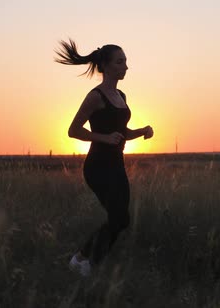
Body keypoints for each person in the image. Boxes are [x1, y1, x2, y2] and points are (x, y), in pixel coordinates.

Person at [54, 39, 154, 277]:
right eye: (120, 62)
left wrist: (141, 132)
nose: (126, 67)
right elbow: (73, 130)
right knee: (118, 217)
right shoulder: (95, 96)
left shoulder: (121, 95)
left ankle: (81, 259)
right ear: (106, 66)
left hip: (116, 164)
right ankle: (86, 265)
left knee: (121, 219)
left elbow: (121, 132)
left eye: (126, 61)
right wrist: (103, 138)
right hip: (98, 166)